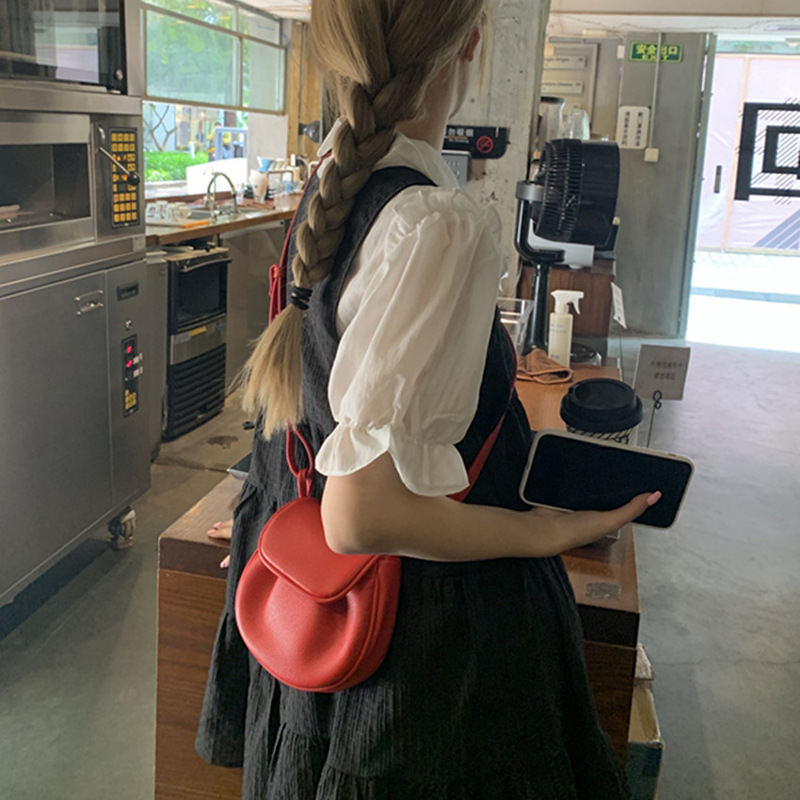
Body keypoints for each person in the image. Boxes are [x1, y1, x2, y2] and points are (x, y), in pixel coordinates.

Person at [197, 1, 659, 797]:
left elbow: (319, 395)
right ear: (472, 38)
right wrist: (547, 531)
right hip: (418, 661)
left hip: (319, 615)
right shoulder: (432, 222)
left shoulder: (334, 180)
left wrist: (274, 504)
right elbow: (362, 515)